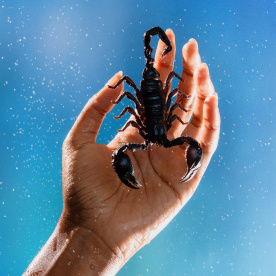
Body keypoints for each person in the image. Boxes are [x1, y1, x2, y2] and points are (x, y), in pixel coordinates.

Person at [23, 29, 220, 275]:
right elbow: (129, 92)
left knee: (172, 99)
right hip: (152, 102)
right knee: (138, 94)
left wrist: (95, 239)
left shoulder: (161, 121)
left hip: (156, 106)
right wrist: (91, 232)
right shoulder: (155, 124)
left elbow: (176, 101)